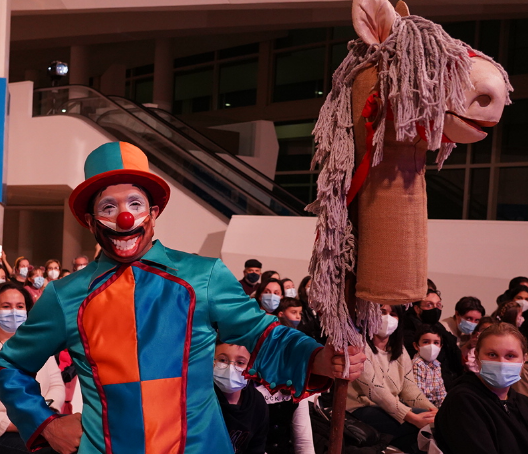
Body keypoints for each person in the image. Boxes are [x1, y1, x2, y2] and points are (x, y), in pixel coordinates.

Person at [0, 142, 365, 454]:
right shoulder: (65, 296)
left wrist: (317, 358)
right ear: (90, 220)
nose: (124, 218)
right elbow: (9, 366)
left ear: (153, 213)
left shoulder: (203, 276)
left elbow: (262, 334)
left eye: (135, 204)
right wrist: (47, 424)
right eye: (108, 207)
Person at [435, 322, 528, 454]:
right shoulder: (463, 402)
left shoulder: (526, 405)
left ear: (523, 360)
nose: (501, 363)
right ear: (477, 356)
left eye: (510, 356)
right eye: (492, 355)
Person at [348, 304, 437, 454]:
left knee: (426, 434)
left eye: (393, 314)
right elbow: (376, 391)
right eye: (382, 312)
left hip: (389, 408)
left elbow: (410, 390)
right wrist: (412, 417)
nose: (387, 318)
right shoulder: (358, 344)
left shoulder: (399, 349)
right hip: (359, 410)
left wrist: (434, 411)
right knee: (426, 428)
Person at [0, 283, 64, 454]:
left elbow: (56, 384)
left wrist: (46, 416)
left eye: (20, 306)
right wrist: (23, 423)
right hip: (7, 431)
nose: (14, 312)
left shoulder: (37, 344)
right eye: (6, 306)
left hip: (43, 421)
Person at [213, 340, 269, 454]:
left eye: (240, 362)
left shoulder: (257, 402)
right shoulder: (201, 399)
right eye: (222, 360)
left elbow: (256, 448)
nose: (230, 368)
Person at [402, 288, 464, 390]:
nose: (435, 309)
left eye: (438, 305)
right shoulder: (408, 331)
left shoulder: (439, 327)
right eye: (429, 305)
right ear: (417, 309)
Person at [411, 324, 447, 408]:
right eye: (426, 342)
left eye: (436, 343)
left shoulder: (436, 365)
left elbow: (441, 393)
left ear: (440, 347)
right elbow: (419, 395)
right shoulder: (417, 364)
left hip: (434, 408)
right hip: (421, 408)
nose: (431, 346)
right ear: (416, 346)